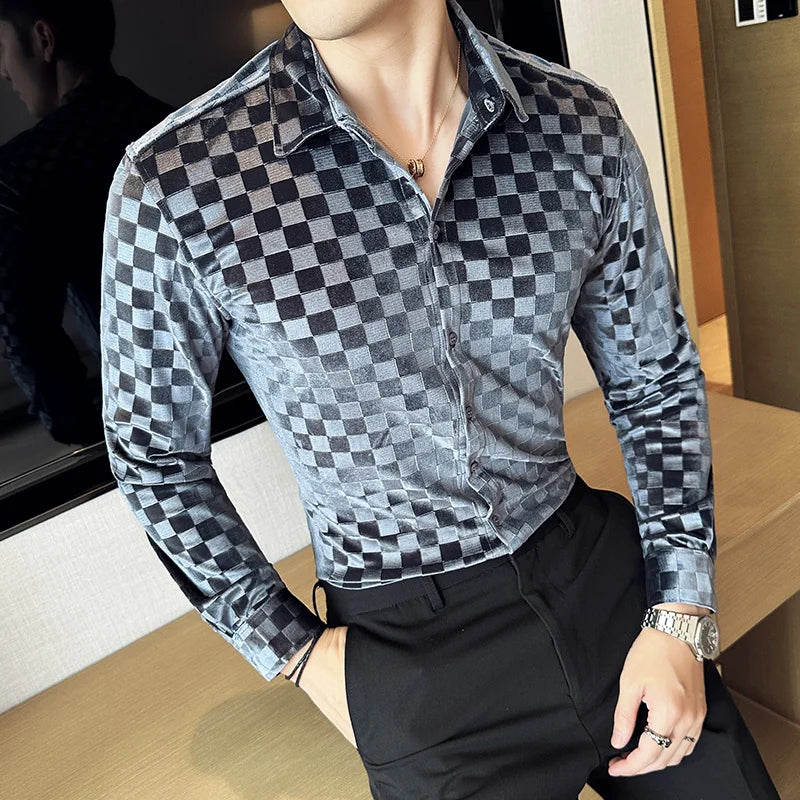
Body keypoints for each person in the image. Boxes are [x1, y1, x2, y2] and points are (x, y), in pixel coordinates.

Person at [99, 0, 781, 797]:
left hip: (600, 582)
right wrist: (298, 653)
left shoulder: (575, 124)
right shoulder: (181, 180)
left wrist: (681, 610)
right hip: (411, 660)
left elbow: (653, 377)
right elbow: (153, 455)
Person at [0, 0, 172, 444]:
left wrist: (88, 445)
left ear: (44, 39)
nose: (4, 72)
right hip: (253, 402)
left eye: (1, 48)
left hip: (152, 433)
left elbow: (29, 340)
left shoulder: (19, 173)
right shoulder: (177, 128)